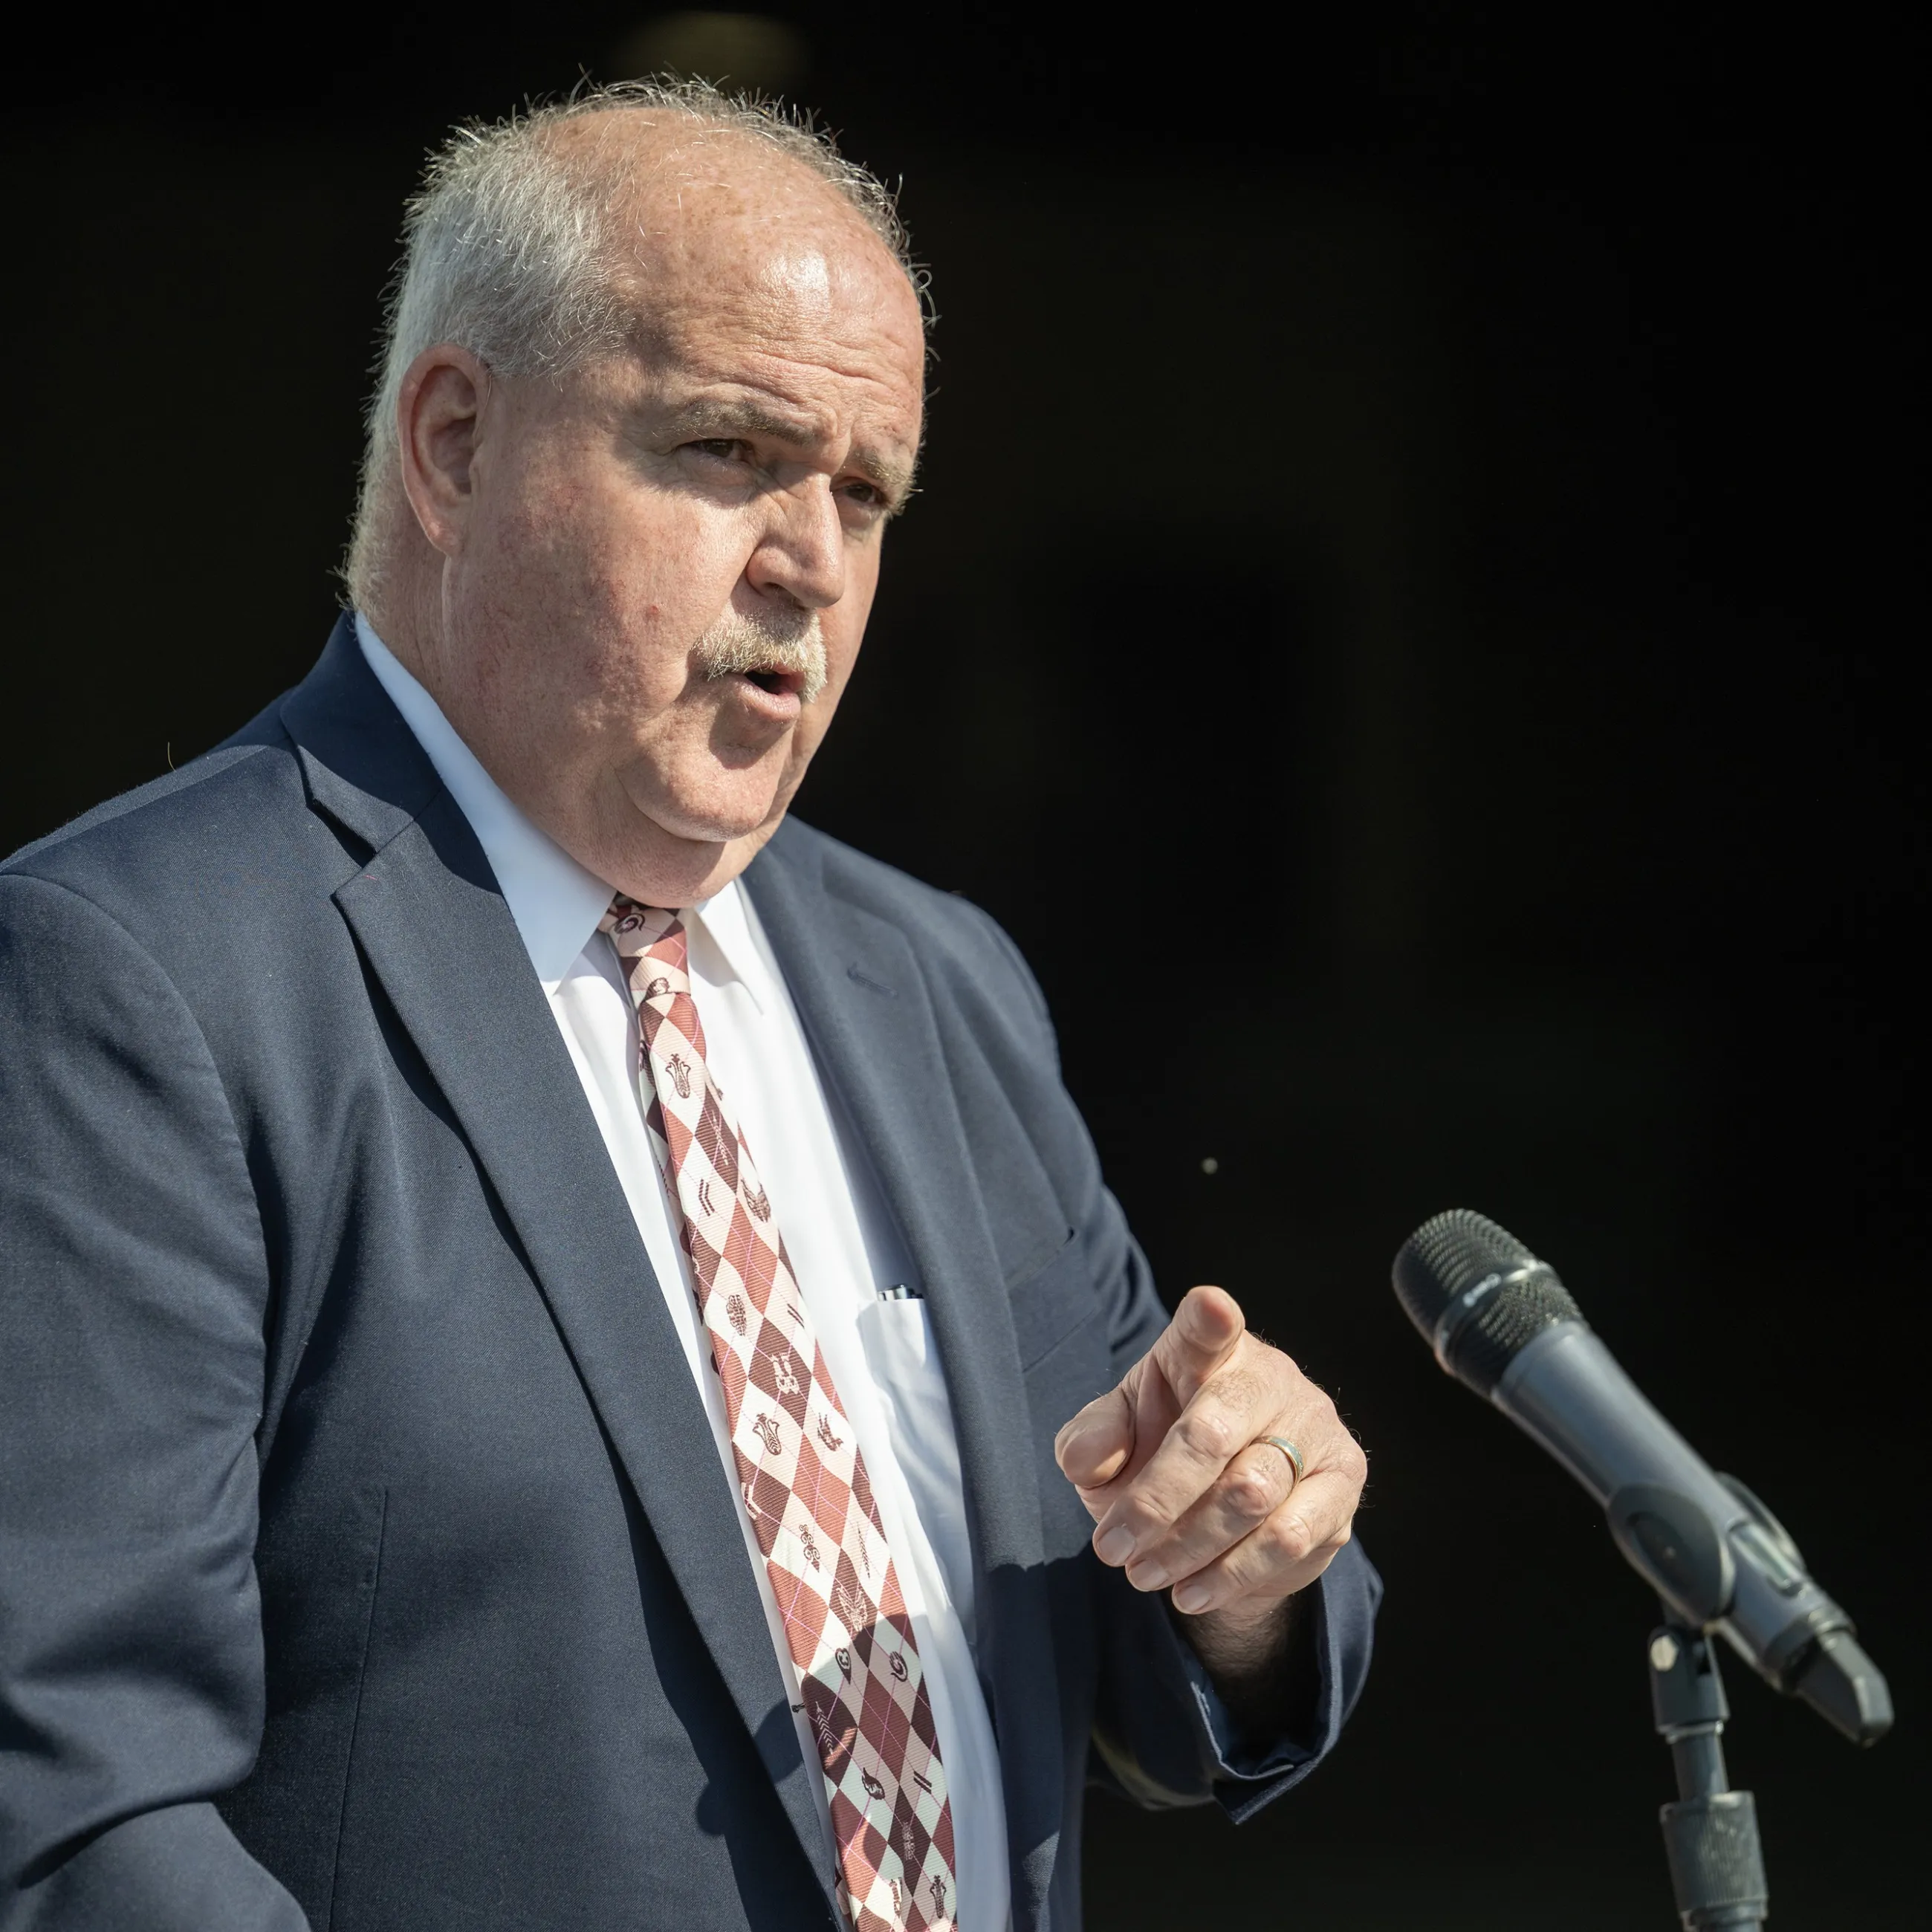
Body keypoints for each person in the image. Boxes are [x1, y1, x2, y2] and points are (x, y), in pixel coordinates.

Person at [0, 82, 1378, 1932]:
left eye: (865, 492)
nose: (813, 560)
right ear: (455, 443)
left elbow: (1148, 1661)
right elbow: (70, 1813)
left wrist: (1244, 1553)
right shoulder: (132, 976)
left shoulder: (936, 979)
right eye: (731, 449)